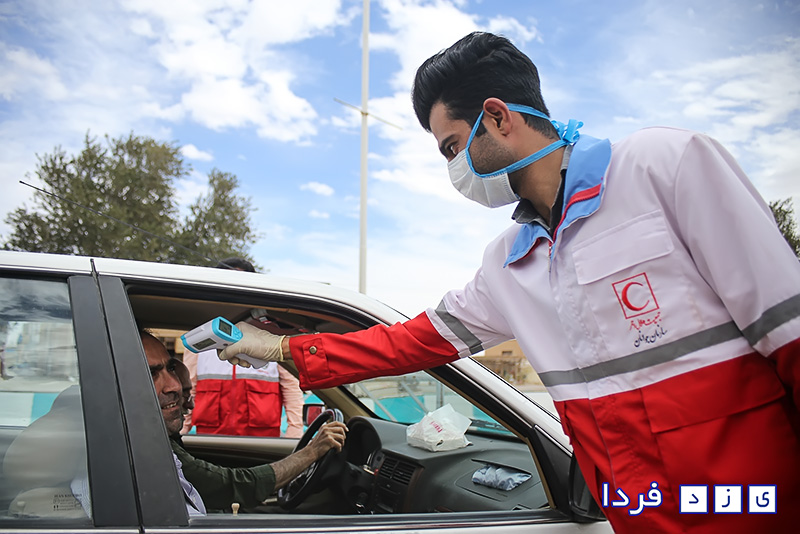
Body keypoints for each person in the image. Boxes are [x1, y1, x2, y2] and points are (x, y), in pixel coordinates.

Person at [218, 32, 800, 533]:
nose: (453, 169)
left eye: (452, 147)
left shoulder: (664, 166)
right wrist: (282, 348)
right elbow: (409, 342)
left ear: (498, 117)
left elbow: (789, 330)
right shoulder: (507, 262)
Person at [141, 330, 347, 514]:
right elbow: (189, 389)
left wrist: (294, 434)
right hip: (212, 433)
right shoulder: (198, 346)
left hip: (260, 437)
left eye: (170, 370)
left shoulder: (266, 341)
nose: (174, 385)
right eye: (152, 373)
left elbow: (291, 390)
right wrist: (177, 433)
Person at [183, 257, 304, 437]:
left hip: (261, 442)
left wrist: (294, 431)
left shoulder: (270, 334)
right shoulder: (201, 334)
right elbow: (189, 386)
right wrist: (182, 429)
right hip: (211, 440)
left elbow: (290, 386)